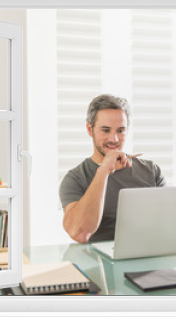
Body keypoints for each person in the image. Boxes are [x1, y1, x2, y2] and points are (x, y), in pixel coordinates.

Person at [59, 94, 166, 243]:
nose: (114, 139)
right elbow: (80, 233)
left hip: (149, 257)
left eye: (120, 130)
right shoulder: (75, 178)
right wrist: (103, 171)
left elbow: (167, 223)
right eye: (105, 130)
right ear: (90, 129)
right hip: (100, 263)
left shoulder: (151, 171)